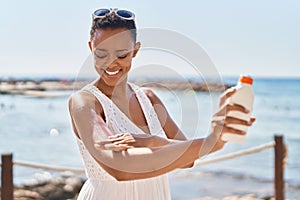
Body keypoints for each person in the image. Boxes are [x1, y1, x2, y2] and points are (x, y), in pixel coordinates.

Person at [68, 8, 255, 200]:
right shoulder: (85, 102)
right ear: (91, 48)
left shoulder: (148, 99)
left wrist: (153, 142)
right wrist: (211, 141)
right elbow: (119, 168)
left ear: (135, 50)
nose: (111, 63)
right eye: (101, 54)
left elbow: (187, 161)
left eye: (122, 55)